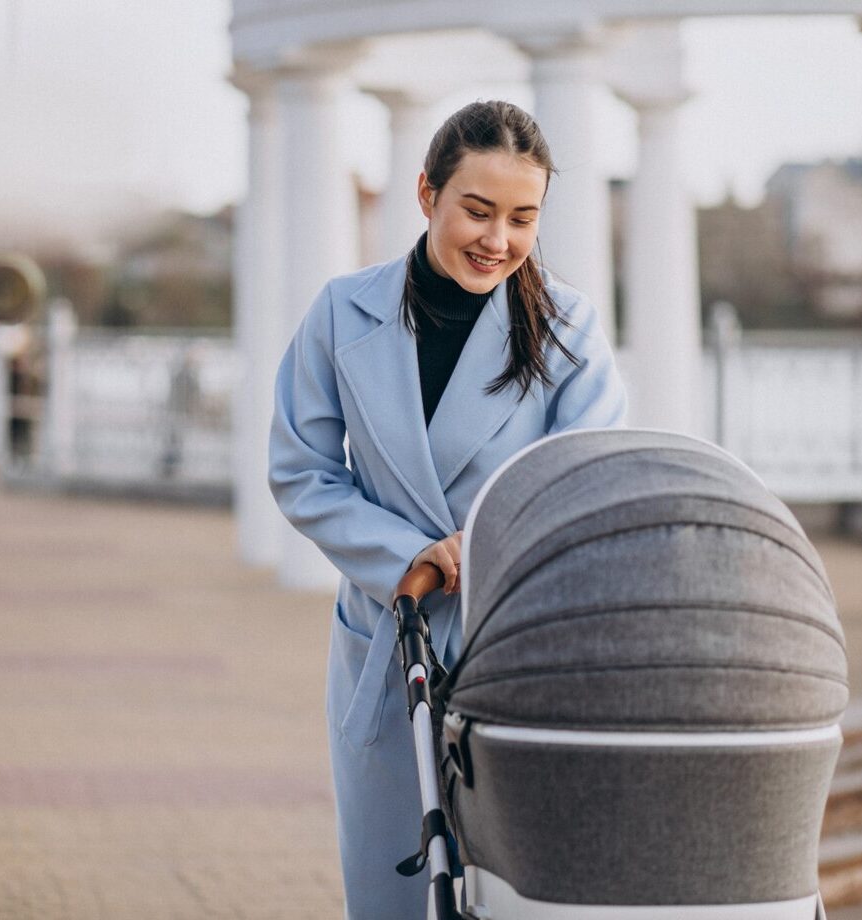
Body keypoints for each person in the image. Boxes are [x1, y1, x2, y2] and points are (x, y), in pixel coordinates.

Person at [268, 100, 627, 919]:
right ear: (427, 193)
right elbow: (301, 470)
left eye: (522, 218)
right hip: (389, 644)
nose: (497, 239)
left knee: (517, 893)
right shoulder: (340, 312)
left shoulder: (570, 329)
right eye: (477, 209)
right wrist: (407, 555)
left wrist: (489, 544)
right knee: (391, 889)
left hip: (520, 648)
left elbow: (589, 483)